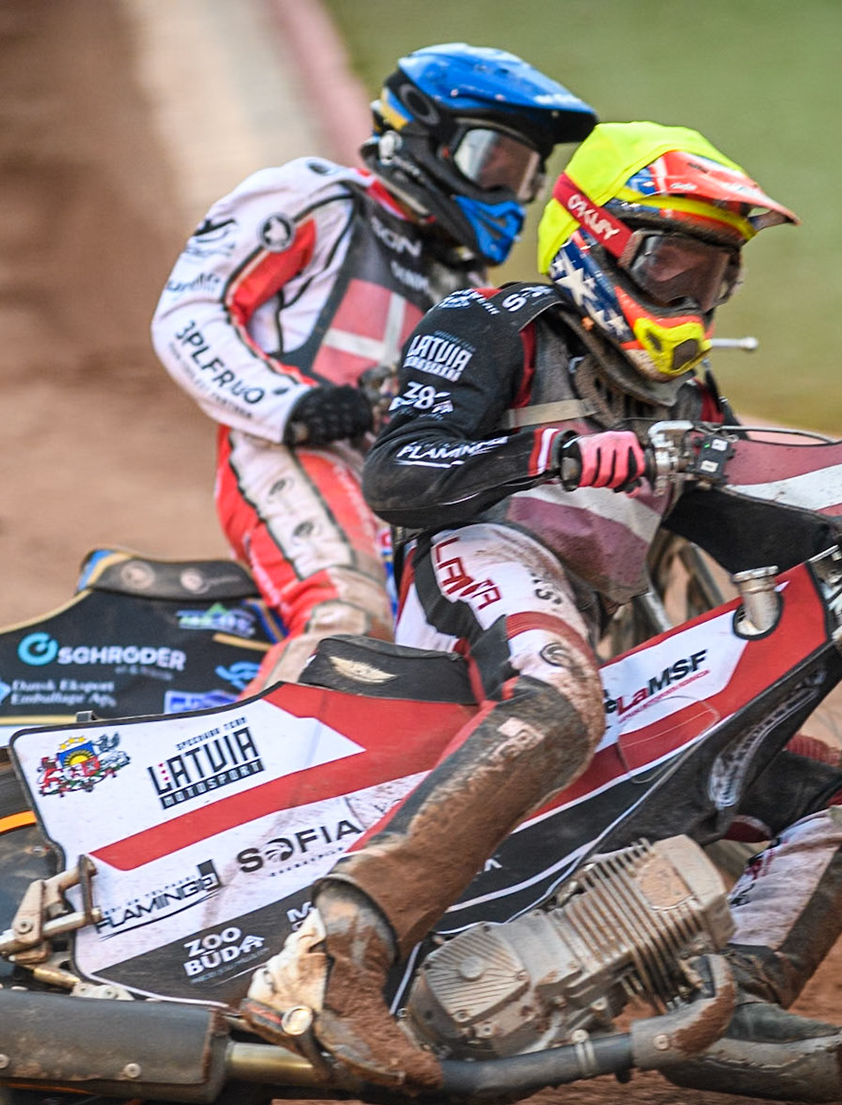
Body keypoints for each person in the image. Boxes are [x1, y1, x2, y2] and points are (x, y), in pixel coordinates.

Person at [242, 122, 842, 1100]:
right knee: (561, 695)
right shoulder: (491, 322)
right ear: (596, 239)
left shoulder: (686, 389)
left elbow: (768, 529)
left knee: (838, 789)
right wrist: (548, 454)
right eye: (669, 257)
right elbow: (398, 473)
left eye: (713, 271)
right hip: (478, 573)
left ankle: (741, 993)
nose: (690, 291)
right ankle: (332, 959)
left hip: (586, 624)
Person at [151, 44, 596, 689]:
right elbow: (190, 312)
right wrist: (289, 406)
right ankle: (245, 780)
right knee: (350, 620)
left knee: (456, 651)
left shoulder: (466, 281)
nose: (509, 190)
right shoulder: (320, 200)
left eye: (523, 173)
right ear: (424, 136)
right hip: (297, 454)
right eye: (491, 160)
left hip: (405, 487)